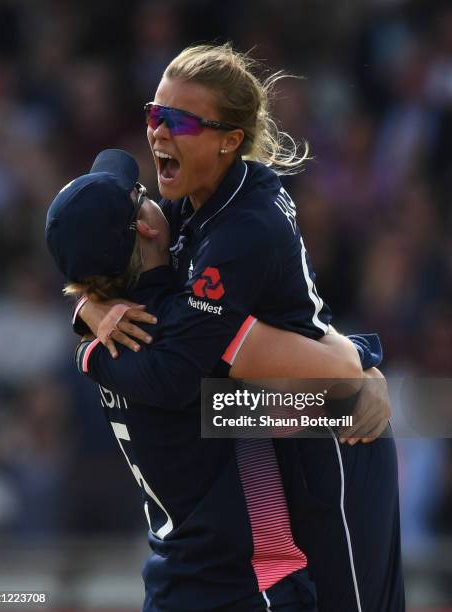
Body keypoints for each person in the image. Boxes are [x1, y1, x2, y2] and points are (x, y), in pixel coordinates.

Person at [67, 43, 404, 612]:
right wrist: (89, 310)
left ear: (230, 140)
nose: (157, 133)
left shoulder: (244, 227)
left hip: (332, 434)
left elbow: (182, 363)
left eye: (179, 121)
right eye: (155, 113)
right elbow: (103, 261)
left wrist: (361, 366)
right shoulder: (186, 201)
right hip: (272, 422)